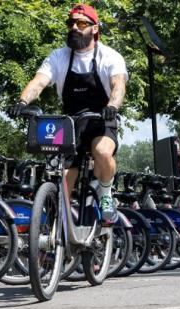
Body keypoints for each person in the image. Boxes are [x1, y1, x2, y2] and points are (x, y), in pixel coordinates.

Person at [8, 3, 127, 223]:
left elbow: (118, 84)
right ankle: (58, 232)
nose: (74, 27)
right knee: (61, 183)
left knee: (102, 151)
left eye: (81, 23)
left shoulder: (109, 56)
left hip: (101, 119)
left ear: (94, 28)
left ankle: (106, 192)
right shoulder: (58, 56)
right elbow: (39, 82)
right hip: (70, 122)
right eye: (71, 23)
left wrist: (112, 107)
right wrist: (22, 101)